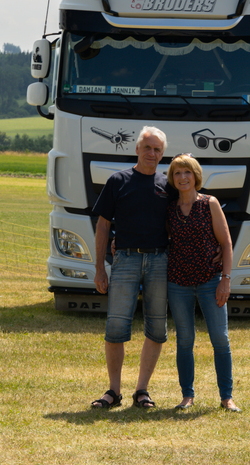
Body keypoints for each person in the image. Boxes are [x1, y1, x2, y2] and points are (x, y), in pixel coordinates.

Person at [91, 126, 172, 410]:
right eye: (148, 148)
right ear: (136, 149)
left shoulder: (169, 185)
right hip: (124, 260)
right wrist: (100, 267)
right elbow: (103, 225)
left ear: (163, 154)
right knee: (116, 327)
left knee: (157, 328)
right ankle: (113, 391)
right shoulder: (118, 181)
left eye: (158, 150)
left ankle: (142, 391)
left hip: (159, 261)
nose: (152, 153)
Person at [166, 153, 241, 412]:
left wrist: (225, 280)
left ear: (196, 175)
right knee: (184, 340)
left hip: (211, 281)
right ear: (172, 179)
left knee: (220, 339)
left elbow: (226, 243)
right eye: (177, 173)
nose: (182, 177)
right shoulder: (170, 208)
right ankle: (187, 395)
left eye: (187, 172)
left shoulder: (210, 203)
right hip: (178, 283)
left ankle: (226, 397)